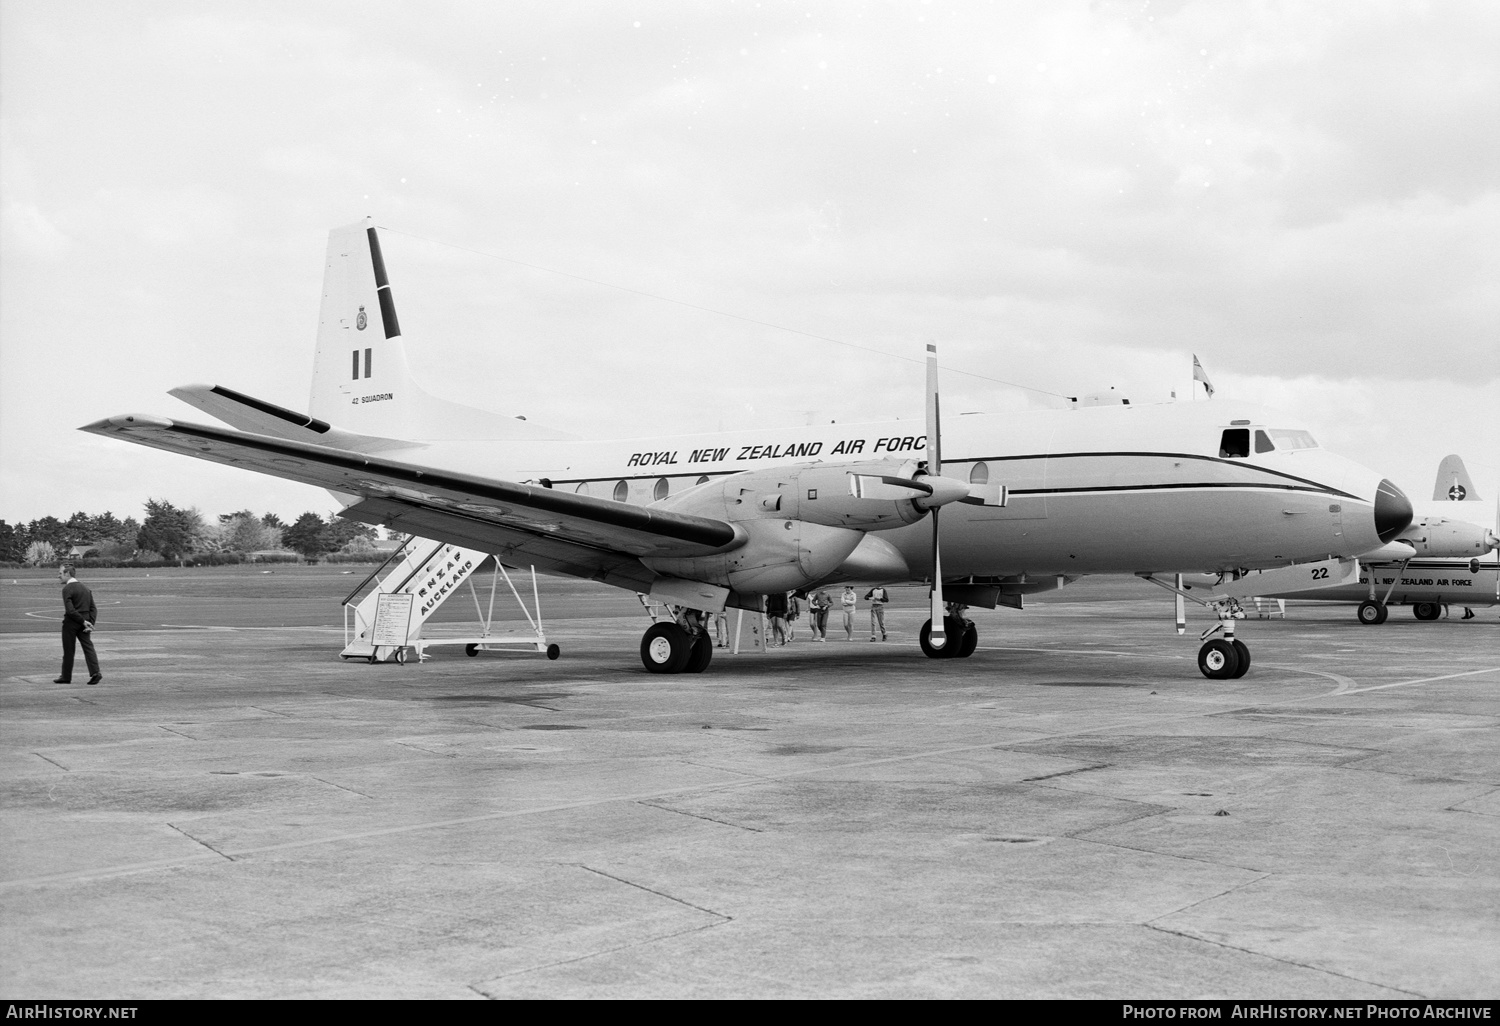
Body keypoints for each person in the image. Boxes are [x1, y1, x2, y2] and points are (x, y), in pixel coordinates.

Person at [55, 564, 101, 685]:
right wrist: (89, 623)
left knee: (69, 650)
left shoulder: (67, 589)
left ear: (68, 574)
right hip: (85, 622)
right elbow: (93, 608)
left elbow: (70, 610)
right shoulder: (85, 588)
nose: (58, 576)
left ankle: (66, 676)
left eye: (60, 574)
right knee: (88, 647)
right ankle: (95, 672)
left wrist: (82, 621)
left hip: (72, 622)